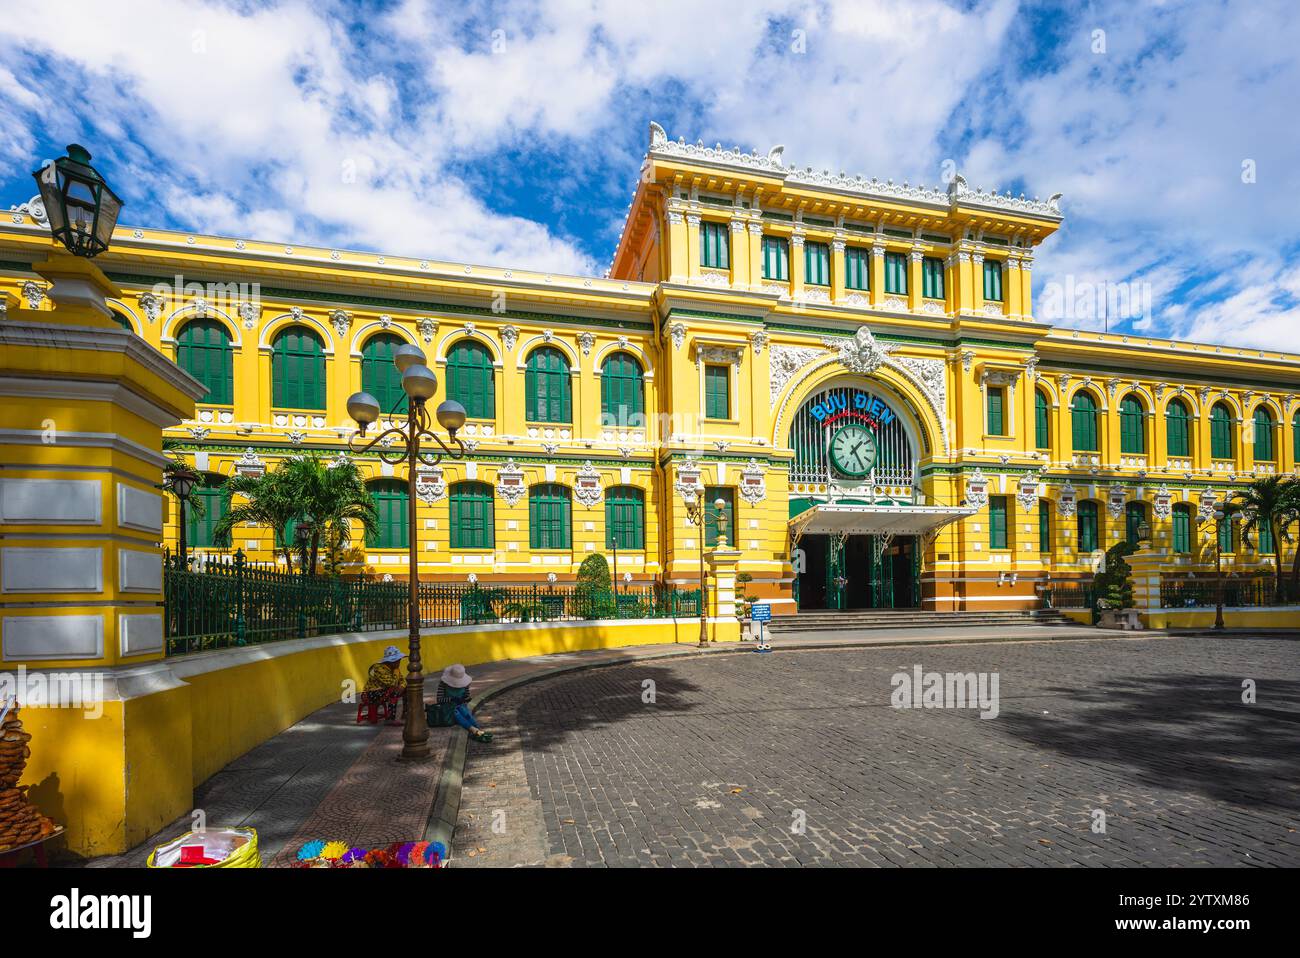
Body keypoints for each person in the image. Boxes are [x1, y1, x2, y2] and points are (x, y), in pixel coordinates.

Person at [431, 664, 493, 743]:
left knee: (465, 712)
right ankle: (474, 730)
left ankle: (478, 729)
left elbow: (467, 696)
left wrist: (465, 699)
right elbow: (439, 699)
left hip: (460, 705)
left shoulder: (465, 683)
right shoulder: (443, 684)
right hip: (448, 708)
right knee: (456, 713)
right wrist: (452, 699)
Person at [360, 645, 406, 725]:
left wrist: (402, 686)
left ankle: (405, 714)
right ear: (390, 661)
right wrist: (398, 682)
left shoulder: (395, 668)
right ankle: (390, 719)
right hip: (370, 694)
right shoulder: (378, 668)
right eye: (397, 660)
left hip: (385, 691)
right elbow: (392, 683)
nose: (399, 662)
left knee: (408, 689)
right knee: (393, 691)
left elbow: (403, 680)